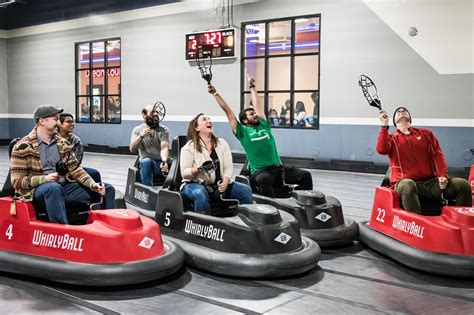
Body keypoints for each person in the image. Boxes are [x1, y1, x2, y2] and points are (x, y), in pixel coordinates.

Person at [208, 76, 313, 197]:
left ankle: (300, 203)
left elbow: (257, 103)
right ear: (245, 121)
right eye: (251, 114)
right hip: (260, 171)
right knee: (265, 179)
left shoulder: (263, 124)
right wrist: (215, 93)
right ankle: (270, 209)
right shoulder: (242, 132)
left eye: (255, 112)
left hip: (279, 169)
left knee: (305, 176)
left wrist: (252, 86)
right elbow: (227, 111)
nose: (255, 115)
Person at [10, 104, 116, 224]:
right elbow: (17, 182)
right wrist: (44, 179)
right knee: (53, 188)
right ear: (42, 121)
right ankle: (63, 231)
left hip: (62, 188)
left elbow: (75, 169)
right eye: (55, 119)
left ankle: (108, 227)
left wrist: (92, 185)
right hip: (35, 192)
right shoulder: (22, 147)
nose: (59, 123)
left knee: (107, 188)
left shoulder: (63, 144)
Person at [376, 106, 472, 214]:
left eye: (404, 111)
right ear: (394, 121)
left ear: (410, 119)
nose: (401, 111)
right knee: (408, 185)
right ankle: (416, 225)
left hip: (431, 183)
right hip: (405, 184)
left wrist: (442, 176)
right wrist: (384, 126)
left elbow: (438, 156)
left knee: (463, 185)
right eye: (398, 112)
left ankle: (461, 222)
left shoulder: (426, 134)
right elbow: (381, 149)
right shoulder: (391, 138)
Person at [180, 113, 253, 213]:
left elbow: (228, 167)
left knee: (245, 190)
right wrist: (199, 169)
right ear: (197, 128)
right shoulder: (189, 147)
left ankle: (245, 225)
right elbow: (184, 172)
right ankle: (203, 225)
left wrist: (226, 180)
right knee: (200, 193)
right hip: (193, 185)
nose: (209, 121)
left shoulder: (222, 143)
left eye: (209, 119)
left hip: (217, 187)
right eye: (204, 119)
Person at [130, 104, 170, 186]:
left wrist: (164, 161)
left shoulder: (164, 129)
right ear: (144, 115)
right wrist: (141, 136)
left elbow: (164, 147)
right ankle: (148, 192)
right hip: (148, 164)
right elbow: (132, 149)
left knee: (176, 163)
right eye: (152, 112)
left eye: (156, 112)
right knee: (146, 162)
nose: (155, 114)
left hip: (161, 163)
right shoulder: (137, 130)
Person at [57, 113, 102, 183]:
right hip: (54, 172)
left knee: (95, 173)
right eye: (68, 122)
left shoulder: (76, 140)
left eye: (73, 121)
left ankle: (98, 191)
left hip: (72, 170)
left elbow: (77, 162)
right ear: (59, 124)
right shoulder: (52, 139)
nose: (72, 124)